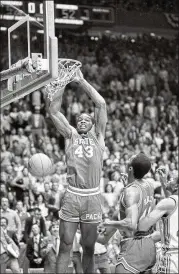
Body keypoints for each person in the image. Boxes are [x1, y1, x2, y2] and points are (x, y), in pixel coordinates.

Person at [46, 69, 107, 273]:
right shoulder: (70, 134)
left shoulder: (98, 137)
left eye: (86, 119)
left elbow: (101, 104)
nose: (82, 120)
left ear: (92, 124)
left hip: (92, 197)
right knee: (65, 246)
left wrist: (81, 81)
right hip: (72, 195)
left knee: (88, 248)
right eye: (79, 118)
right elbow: (54, 111)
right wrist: (61, 83)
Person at [100, 152, 160, 274]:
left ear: (130, 168)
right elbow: (140, 205)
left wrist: (107, 223)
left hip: (133, 246)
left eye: (129, 160)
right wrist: (128, 185)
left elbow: (131, 224)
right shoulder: (149, 185)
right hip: (148, 243)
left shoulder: (130, 191)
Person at [138, 168, 178, 274]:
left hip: (172, 258)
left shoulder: (167, 203)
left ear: (177, 186)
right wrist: (164, 183)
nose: (169, 179)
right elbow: (172, 204)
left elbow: (142, 225)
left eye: (172, 179)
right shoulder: (171, 203)